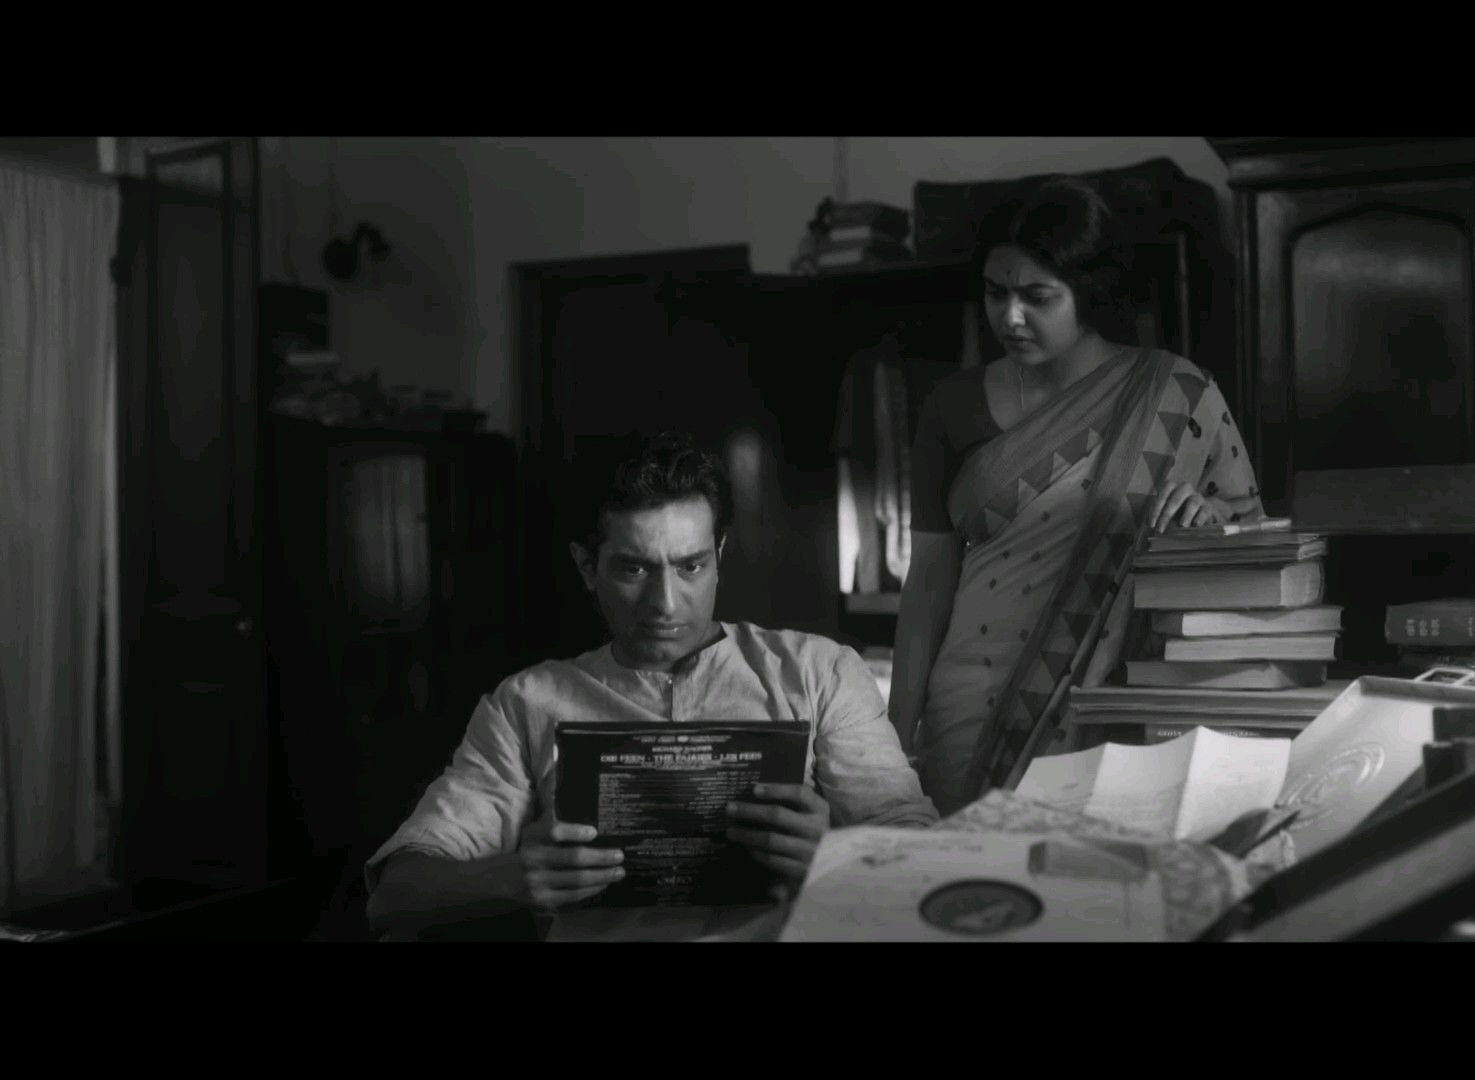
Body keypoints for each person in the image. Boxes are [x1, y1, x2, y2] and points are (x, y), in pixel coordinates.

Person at [365, 432, 936, 939]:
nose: (665, 604)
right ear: (586, 567)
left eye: (690, 567)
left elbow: (926, 858)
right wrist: (512, 877)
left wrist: (836, 854)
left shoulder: (819, 672)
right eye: (634, 569)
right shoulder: (525, 703)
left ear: (719, 555)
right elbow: (395, 893)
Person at [891, 177, 1265, 815]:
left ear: (1087, 290)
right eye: (995, 292)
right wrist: (893, 741)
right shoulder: (951, 407)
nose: (1010, 317)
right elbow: (927, 582)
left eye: (1037, 297)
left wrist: (1208, 526)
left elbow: (1256, 544)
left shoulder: (1175, 393)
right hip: (969, 712)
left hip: (1118, 708)